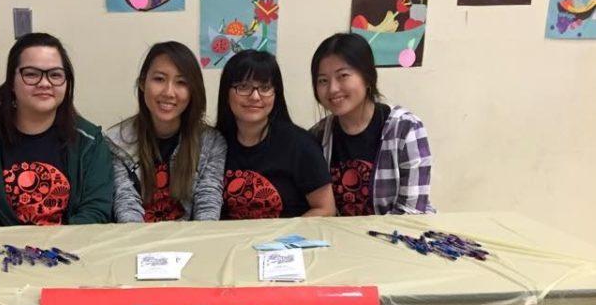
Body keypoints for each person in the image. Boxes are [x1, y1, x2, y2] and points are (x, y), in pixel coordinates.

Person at [0, 32, 112, 226]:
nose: (45, 83)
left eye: (55, 75)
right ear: (11, 82)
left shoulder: (90, 141)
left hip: (70, 251)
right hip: (3, 252)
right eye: (31, 74)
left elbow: (96, 210)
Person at [310, 32, 434, 216]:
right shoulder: (318, 136)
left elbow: (411, 213)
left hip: (396, 238)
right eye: (323, 81)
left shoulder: (405, 129)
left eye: (343, 76)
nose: (333, 89)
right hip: (338, 239)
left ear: (367, 77)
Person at [106, 41, 226, 222]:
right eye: (159, 79)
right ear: (142, 83)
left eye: (181, 82)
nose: (169, 92)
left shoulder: (211, 142)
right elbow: (126, 205)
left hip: (191, 241)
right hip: (136, 241)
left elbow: (208, 204)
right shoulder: (116, 141)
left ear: (193, 90)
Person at [216, 50, 335, 220]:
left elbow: (325, 209)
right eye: (243, 87)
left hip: (283, 243)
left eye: (265, 88)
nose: (255, 96)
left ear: (276, 94)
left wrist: (281, 238)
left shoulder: (300, 144)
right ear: (226, 93)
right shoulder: (213, 145)